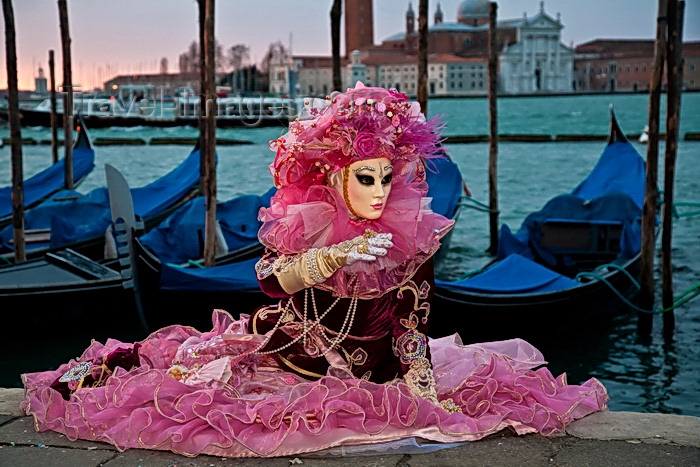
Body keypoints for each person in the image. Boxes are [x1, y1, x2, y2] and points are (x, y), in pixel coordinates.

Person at [22, 83, 608, 458]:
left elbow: (411, 327)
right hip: (292, 358)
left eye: (386, 177)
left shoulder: (410, 240)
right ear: (334, 179)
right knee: (183, 391)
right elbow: (271, 280)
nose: (379, 192)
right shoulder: (309, 229)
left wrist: (426, 396)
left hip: (375, 375)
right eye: (365, 178)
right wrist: (332, 257)